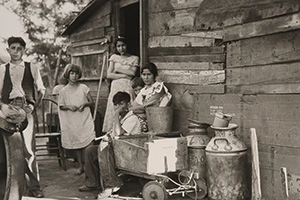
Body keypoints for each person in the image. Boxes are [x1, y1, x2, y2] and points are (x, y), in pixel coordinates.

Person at [0, 36, 46, 198]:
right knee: (9, 149)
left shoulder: (31, 67)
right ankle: (11, 188)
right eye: (13, 48)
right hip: (6, 110)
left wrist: (32, 107)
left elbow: (41, 89)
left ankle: (34, 187)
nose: (16, 51)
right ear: (8, 50)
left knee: (29, 150)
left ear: (23, 51)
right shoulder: (2, 69)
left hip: (26, 109)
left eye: (19, 49)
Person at [78, 92, 144, 198]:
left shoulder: (132, 118)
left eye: (122, 104)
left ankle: (112, 184)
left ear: (128, 104)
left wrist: (116, 114)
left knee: (105, 148)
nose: (118, 107)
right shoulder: (121, 118)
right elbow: (113, 133)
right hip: (117, 147)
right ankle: (92, 183)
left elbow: (118, 133)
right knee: (90, 150)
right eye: (116, 104)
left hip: (128, 150)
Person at [58, 63, 95, 175]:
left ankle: (89, 166)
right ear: (67, 75)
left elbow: (91, 102)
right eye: (71, 73)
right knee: (77, 143)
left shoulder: (83, 88)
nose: (74, 76)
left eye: (76, 73)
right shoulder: (64, 91)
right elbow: (61, 105)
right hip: (72, 120)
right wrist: (69, 106)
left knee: (89, 140)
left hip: (84, 117)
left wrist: (84, 104)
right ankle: (80, 166)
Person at [102, 36, 139, 133]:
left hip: (127, 85)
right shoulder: (114, 58)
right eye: (118, 46)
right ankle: (112, 131)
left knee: (127, 105)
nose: (121, 48)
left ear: (127, 46)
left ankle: (126, 129)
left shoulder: (134, 58)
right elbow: (109, 74)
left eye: (123, 45)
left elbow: (133, 73)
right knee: (115, 105)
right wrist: (125, 75)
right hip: (116, 85)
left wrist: (118, 70)